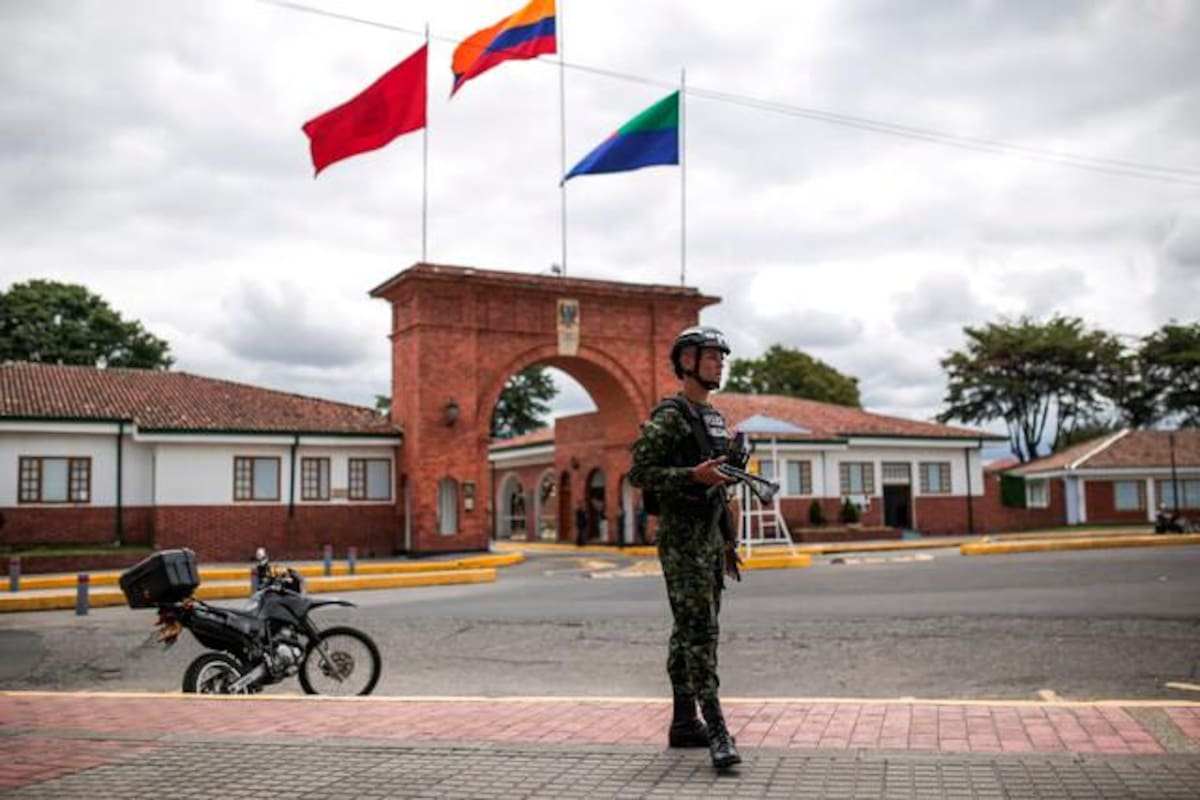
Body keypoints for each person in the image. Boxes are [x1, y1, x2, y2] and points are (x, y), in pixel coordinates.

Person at [628, 325, 743, 770]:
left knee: (687, 632)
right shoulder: (671, 415)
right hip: (682, 543)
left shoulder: (714, 418)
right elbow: (640, 473)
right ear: (687, 362)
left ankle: (683, 723)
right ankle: (716, 727)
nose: (718, 363)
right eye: (710, 356)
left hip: (711, 540)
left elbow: (722, 488)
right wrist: (691, 476)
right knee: (701, 634)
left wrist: (729, 543)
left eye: (720, 357)